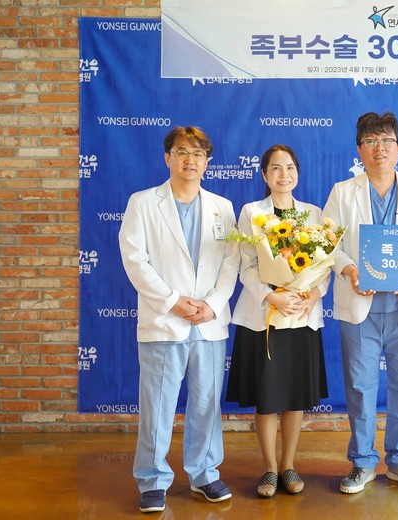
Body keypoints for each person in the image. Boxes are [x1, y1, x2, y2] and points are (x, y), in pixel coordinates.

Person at [118, 126, 239, 513]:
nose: (191, 160)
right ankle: (153, 480)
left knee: (206, 404)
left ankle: (204, 474)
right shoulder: (143, 203)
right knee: (157, 406)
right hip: (164, 321)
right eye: (183, 152)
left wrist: (213, 304)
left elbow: (231, 261)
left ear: (207, 162)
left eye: (199, 154)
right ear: (167, 158)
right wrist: (172, 301)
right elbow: (135, 260)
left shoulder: (222, 206)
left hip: (208, 323)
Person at [322, 111, 398, 494]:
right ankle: (362, 462)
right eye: (371, 142)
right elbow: (327, 244)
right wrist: (351, 270)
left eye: (386, 141)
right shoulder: (342, 192)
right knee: (360, 386)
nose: (379, 148)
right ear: (360, 150)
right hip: (360, 306)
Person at [226, 144, 329, 498]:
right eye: (276, 168)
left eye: (289, 168)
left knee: (295, 396)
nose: (284, 175)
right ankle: (269, 468)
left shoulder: (313, 214)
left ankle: (288, 465)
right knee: (267, 396)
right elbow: (246, 266)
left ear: (297, 173)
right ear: (265, 175)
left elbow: (325, 265)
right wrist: (271, 296)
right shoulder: (253, 213)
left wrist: (312, 295)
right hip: (265, 317)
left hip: (301, 315)